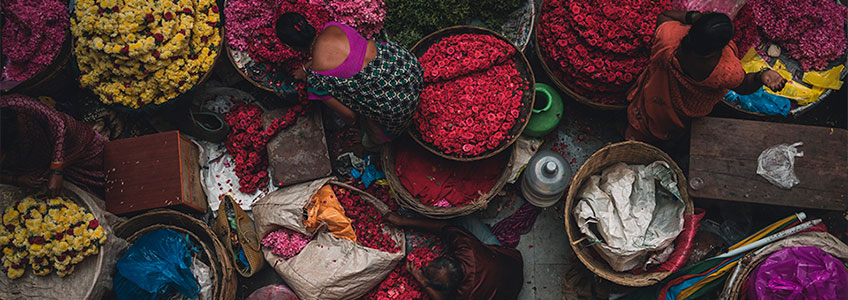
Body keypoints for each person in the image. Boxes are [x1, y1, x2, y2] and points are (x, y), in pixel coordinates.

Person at [625, 11, 787, 143]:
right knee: (673, 127)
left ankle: (636, 134)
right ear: (719, 48)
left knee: (649, 114)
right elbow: (744, 86)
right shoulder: (727, 69)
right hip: (689, 109)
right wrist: (761, 75)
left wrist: (693, 16)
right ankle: (668, 141)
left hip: (656, 94)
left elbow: (663, 16)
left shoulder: (669, 38)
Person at [275, 13, 424, 147]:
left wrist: (357, 128)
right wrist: (306, 68)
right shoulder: (333, 27)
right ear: (307, 22)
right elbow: (339, 55)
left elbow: (350, 117)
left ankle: (372, 140)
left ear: (289, 46)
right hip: (405, 65)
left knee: (369, 139)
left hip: (398, 104)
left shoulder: (316, 80)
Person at [383, 212, 524, 300]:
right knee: (463, 218)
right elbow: (443, 227)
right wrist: (403, 221)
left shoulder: (465, 295)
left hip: (504, 283)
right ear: (450, 258)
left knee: (462, 220)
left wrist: (420, 279)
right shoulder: (467, 249)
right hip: (509, 262)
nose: (424, 265)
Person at [0, 94, 107, 196]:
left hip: (67, 141)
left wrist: (56, 170)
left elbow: (59, 124)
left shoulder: (17, 103)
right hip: (33, 163)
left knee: (106, 166)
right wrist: (17, 179)